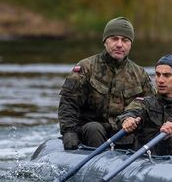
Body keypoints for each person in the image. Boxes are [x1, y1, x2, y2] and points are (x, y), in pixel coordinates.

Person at [58, 17, 155, 149]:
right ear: (105, 41)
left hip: (123, 132)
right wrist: (69, 132)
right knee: (94, 128)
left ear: (130, 44)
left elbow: (150, 105)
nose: (120, 44)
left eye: (125, 40)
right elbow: (68, 102)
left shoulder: (140, 75)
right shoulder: (86, 68)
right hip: (90, 132)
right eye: (114, 39)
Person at [117, 54, 172, 155]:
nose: (160, 80)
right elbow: (130, 113)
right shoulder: (144, 103)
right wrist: (127, 120)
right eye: (157, 74)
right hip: (146, 160)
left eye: (166, 75)